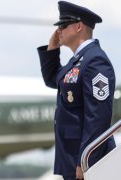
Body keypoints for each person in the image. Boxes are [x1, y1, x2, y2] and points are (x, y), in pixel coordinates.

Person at [37, 1, 116, 180]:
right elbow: (53, 80)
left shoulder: (95, 61)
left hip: (87, 162)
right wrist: (52, 50)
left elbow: (98, 117)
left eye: (63, 25)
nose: (59, 31)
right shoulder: (79, 61)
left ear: (79, 26)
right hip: (72, 158)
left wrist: (86, 161)